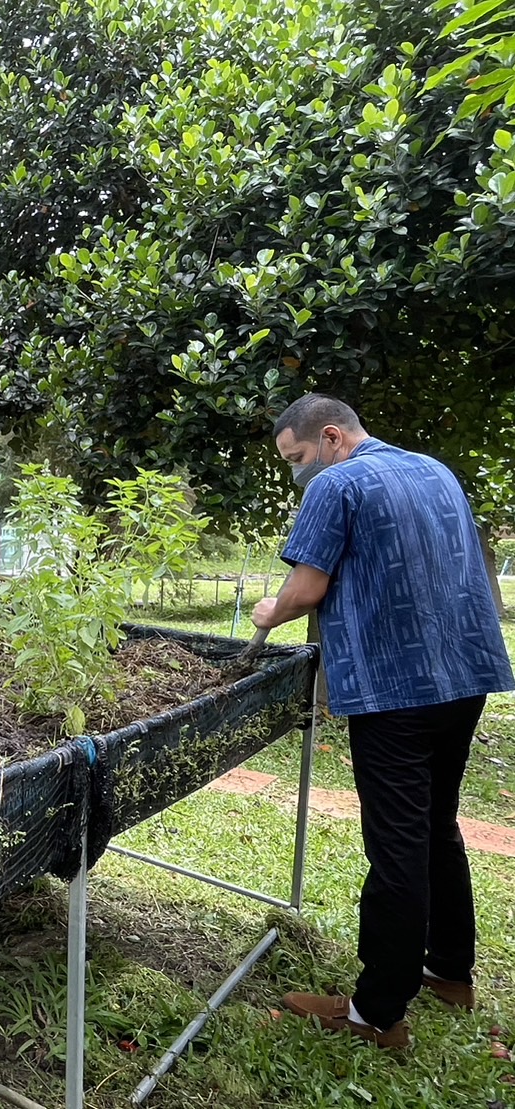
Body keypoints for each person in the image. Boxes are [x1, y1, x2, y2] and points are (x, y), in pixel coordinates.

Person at [251, 393, 512, 1048]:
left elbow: (305, 588)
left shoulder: (336, 483)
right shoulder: (433, 469)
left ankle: (376, 1013)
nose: (296, 473)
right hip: (466, 676)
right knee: (435, 826)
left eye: (297, 458)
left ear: (331, 437)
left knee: (395, 845)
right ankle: (450, 973)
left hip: (396, 689)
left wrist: (266, 613)